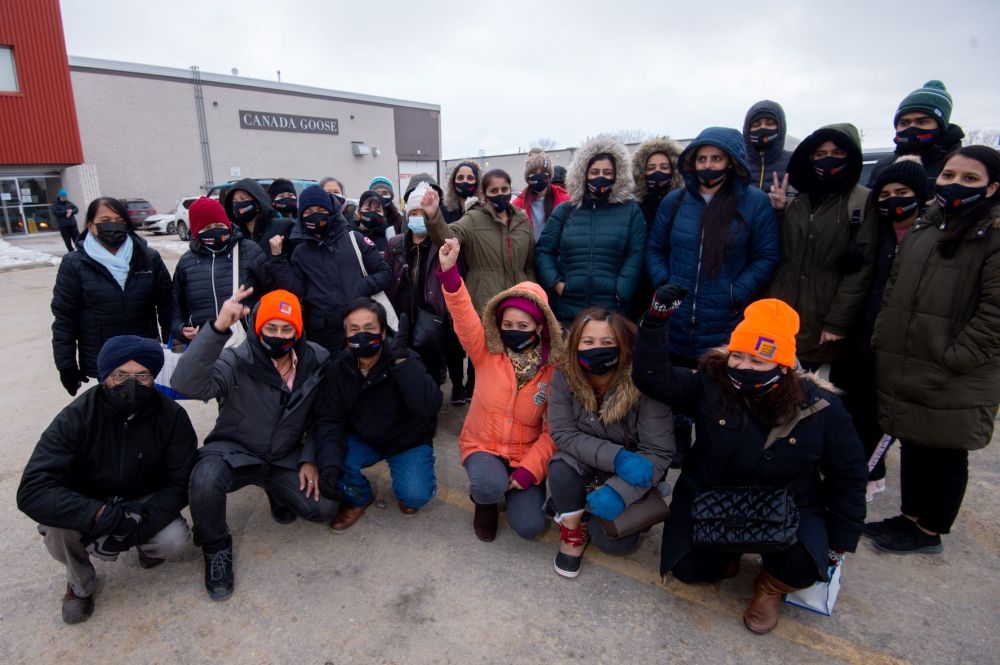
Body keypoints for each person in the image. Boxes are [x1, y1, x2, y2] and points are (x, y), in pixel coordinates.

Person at [633, 287, 866, 634]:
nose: (744, 367)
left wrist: (842, 541)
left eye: (758, 361)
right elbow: (655, 379)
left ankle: (769, 585)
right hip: (711, 494)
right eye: (738, 356)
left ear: (784, 365)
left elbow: (848, 474)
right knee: (688, 569)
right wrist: (655, 320)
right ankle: (727, 555)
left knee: (804, 567)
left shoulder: (820, 407)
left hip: (788, 503)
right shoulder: (711, 382)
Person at [868, 146, 1000, 555]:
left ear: (992, 187)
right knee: (915, 439)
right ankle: (909, 517)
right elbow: (895, 287)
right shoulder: (929, 226)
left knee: (944, 450)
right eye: (948, 175)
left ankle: (929, 531)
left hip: (956, 366)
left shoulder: (992, 234)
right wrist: (884, 331)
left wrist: (957, 356)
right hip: (912, 355)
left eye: (969, 178)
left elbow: (996, 312)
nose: (955, 184)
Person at [17, 336, 197, 624]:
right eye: (120, 375)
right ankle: (80, 585)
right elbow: (32, 490)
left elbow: (181, 481)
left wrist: (137, 525)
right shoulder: (76, 418)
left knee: (174, 540)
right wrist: (98, 516)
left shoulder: (172, 417)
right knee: (55, 528)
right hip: (89, 500)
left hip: (143, 501)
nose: (131, 385)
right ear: (105, 376)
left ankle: (144, 546)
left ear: (153, 377)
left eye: (142, 376)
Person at [172, 288, 338, 601]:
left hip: (284, 455)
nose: (278, 335)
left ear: (298, 330)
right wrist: (217, 329)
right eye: (270, 328)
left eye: (286, 328)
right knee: (204, 481)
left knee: (324, 507)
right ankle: (216, 548)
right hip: (235, 450)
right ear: (257, 328)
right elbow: (186, 384)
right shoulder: (235, 358)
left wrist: (310, 456)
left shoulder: (316, 359)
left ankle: (276, 489)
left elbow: (324, 415)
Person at [644, 127, 779, 462]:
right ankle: (675, 442)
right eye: (701, 158)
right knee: (674, 384)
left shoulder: (754, 203)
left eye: (716, 158)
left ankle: (712, 446)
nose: (708, 165)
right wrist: (665, 282)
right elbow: (655, 248)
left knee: (717, 385)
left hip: (724, 313)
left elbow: (766, 256)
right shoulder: (675, 202)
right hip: (678, 311)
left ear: (730, 162)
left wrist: (739, 291)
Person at [437, 238, 565, 541]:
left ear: (539, 327)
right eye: (508, 324)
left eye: (523, 326)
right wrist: (449, 272)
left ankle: (510, 486)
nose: (514, 331)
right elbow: (464, 317)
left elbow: (555, 430)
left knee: (530, 527)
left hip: (525, 453)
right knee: (487, 485)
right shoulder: (486, 351)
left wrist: (530, 470)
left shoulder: (554, 370)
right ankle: (486, 501)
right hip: (482, 446)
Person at [831, 156, 930, 501]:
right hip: (859, 336)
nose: (892, 200)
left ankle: (866, 480)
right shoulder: (876, 231)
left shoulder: (931, 233)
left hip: (902, 343)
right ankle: (846, 474)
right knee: (849, 409)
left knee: (879, 418)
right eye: (885, 194)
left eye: (901, 192)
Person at [547, 308, 675, 577]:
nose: (597, 348)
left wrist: (620, 491)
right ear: (576, 344)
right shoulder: (564, 373)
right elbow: (562, 432)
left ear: (622, 344)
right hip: (587, 459)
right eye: (588, 342)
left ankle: (590, 509)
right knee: (559, 467)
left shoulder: (645, 381)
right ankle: (572, 527)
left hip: (631, 470)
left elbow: (659, 450)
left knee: (613, 544)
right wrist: (616, 456)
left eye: (607, 342)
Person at [315, 299, 442, 530]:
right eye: (354, 329)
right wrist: (329, 464)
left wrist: (402, 364)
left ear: (383, 332)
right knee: (330, 459)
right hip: (365, 437)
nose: (361, 335)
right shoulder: (337, 369)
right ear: (345, 335)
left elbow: (429, 406)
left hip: (407, 441)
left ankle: (412, 476)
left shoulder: (405, 358)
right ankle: (360, 498)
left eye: (370, 328)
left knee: (415, 495)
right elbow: (329, 419)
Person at [766, 123, 876, 370]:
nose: (828, 160)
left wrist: (837, 322)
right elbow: (779, 250)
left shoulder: (860, 202)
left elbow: (861, 270)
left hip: (823, 318)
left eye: (837, 154)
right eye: (820, 155)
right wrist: (779, 212)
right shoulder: (797, 198)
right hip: (781, 310)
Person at [51, 197, 173, 396]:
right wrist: (66, 364)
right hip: (105, 359)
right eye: (105, 219)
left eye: (119, 219)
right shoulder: (74, 264)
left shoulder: (149, 258)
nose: (113, 225)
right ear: (91, 225)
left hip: (145, 354)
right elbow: (64, 319)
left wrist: (173, 346)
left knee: (152, 412)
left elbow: (168, 306)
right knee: (114, 417)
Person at [535, 135, 647, 324]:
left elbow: (636, 253)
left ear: (617, 174)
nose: (600, 177)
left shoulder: (630, 210)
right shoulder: (565, 210)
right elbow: (544, 250)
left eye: (607, 172)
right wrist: (556, 283)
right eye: (594, 172)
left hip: (612, 310)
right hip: (568, 308)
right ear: (583, 173)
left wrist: (622, 290)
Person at [267, 185, 391, 354]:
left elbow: (385, 273)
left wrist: (362, 286)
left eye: (320, 209)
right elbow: (295, 291)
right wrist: (277, 259)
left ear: (331, 211)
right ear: (301, 216)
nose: (315, 214)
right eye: (309, 211)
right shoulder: (300, 252)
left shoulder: (354, 239)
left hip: (360, 327)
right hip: (324, 337)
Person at [387, 177, 469, 403]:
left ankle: (432, 404)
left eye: (423, 213)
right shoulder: (396, 243)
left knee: (433, 364)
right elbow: (388, 276)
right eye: (414, 213)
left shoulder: (442, 243)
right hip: (404, 311)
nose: (418, 218)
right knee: (405, 363)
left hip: (433, 313)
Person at [422, 170, 536, 315]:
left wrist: (532, 293)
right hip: (484, 303)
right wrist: (433, 215)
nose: (500, 194)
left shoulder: (523, 221)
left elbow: (530, 265)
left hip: (519, 301)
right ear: (484, 194)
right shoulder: (474, 218)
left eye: (504, 189)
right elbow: (447, 237)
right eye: (494, 190)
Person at [171, 197, 269, 344]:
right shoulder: (186, 263)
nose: (216, 230)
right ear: (197, 232)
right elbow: (177, 307)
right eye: (208, 228)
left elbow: (272, 291)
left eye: (219, 224)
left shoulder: (249, 250)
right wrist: (180, 329)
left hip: (248, 343)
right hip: (204, 344)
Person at [867, 81, 966, 190]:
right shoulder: (883, 166)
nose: (911, 128)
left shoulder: (962, 165)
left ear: (941, 126)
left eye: (922, 122)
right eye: (904, 123)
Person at [223, 178, 294, 256]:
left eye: (243, 199)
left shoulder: (283, 227)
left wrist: (277, 255)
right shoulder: (235, 235)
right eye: (235, 202)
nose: (238, 205)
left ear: (257, 202)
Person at [512, 148, 570, 240]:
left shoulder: (565, 201)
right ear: (527, 177)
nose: (539, 176)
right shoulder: (517, 206)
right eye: (534, 172)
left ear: (550, 176)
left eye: (543, 172)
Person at [742, 100, 794, 191]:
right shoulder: (738, 164)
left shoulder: (794, 162)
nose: (763, 128)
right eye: (756, 124)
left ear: (780, 128)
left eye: (770, 123)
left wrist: (786, 203)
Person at [632, 137, 684, 225]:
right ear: (642, 172)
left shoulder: (683, 203)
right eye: (651, 168)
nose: (657, 172)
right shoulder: (634, 207)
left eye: (664, 167)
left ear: (673, 171)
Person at [352, 190, 395, 256]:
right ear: (359, 211)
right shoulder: (350, 233)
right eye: (368, 209)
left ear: (383, 213)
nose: (372, 213)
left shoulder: (389, 233)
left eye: (377, 210)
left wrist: (388, 257)